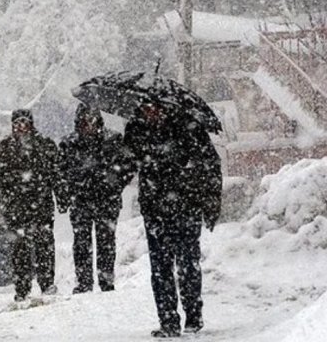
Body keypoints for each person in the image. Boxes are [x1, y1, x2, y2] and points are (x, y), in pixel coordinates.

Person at [124, 102, 222, 338]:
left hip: (186, 207)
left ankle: (193, 316)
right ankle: (168, 320)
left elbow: (210, 165)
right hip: (155, 210)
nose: (151, 112)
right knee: (160, 268)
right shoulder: (137, 130)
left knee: (187, 264)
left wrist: (210, 203)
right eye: (146, 108)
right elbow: (126, 165)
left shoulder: (188, 127)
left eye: (154, 108)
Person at [0, 109, 61, 301]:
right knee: (20, 250)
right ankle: (22, 287)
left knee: (44, 246)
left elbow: (57, 175)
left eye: (25, 122)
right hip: (14, 207)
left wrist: (62, 197)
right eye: (17, 122)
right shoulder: (2, 149)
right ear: (12, 124)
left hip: (41, 205)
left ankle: (47, 283)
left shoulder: (45, 146)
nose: (21, 126)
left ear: (31, 123)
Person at [58, 104, 134, 294]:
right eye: (85, 121)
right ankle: (84, 282)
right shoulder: (68, 144)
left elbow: (129, 166)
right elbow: (60, 172)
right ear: (79, 122)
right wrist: (69, 191)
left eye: (91, 120)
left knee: (106, 241)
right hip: (81, 201)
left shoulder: (114, 140)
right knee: (81, 242)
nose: (88, 125)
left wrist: (115, 185)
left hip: (107, 200)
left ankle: (106, 280)